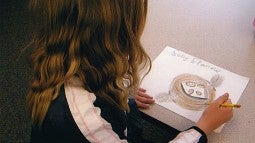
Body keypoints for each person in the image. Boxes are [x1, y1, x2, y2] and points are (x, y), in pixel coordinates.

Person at [26, 0, 233, 142]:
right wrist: (203, 127)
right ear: (121, 33)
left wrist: (121, 91)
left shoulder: (64, 54)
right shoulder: (91, 125)